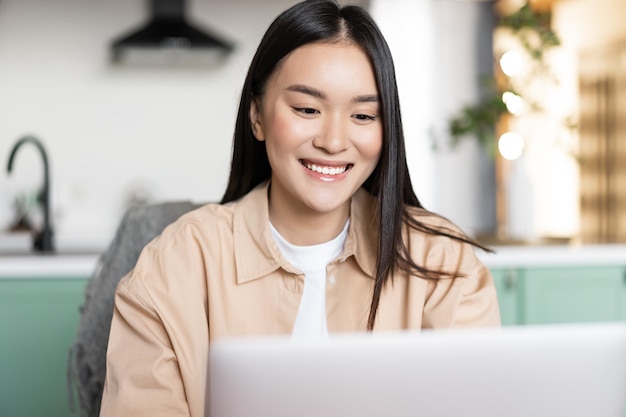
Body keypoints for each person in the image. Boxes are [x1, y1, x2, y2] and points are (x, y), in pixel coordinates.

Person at [99, 0, 501, 415]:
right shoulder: (175, 265)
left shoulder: (444, 264)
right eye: (307, 109)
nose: (333, 140)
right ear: (257, 115)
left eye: (363, 115)